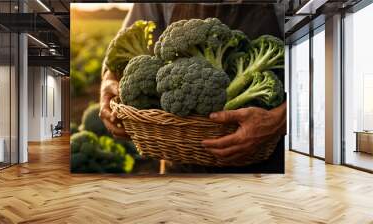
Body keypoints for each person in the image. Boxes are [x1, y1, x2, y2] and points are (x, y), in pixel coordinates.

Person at [99, 3, 287, 173]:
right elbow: (117, 54)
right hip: (178, 164)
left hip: (264, 165)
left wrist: (281, 119)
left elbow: (315, 56)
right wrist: (108, 82)